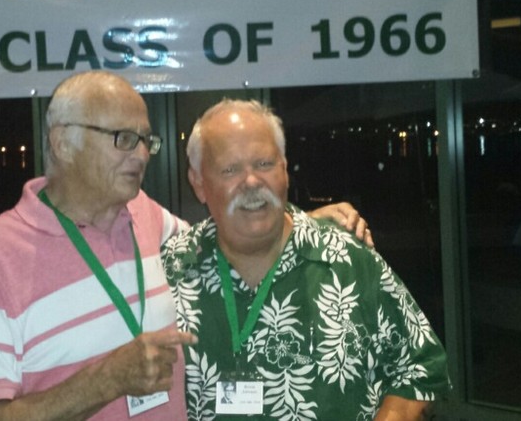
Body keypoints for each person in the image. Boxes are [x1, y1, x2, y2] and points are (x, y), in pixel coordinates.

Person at [0, 71, 370, 420]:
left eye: (146, 140)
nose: (141, 155)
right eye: (123, 138)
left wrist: (294, 220)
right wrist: (107, 380)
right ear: (62, 143)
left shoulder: (144, 214)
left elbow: (219, 237)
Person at [163, 99, 450, 420]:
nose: (252, 181)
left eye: (264, 163)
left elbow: (422, 370)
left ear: (285, 170)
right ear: (199, 183)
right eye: (230, 169)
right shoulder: (170, 269)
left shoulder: (348, 260)